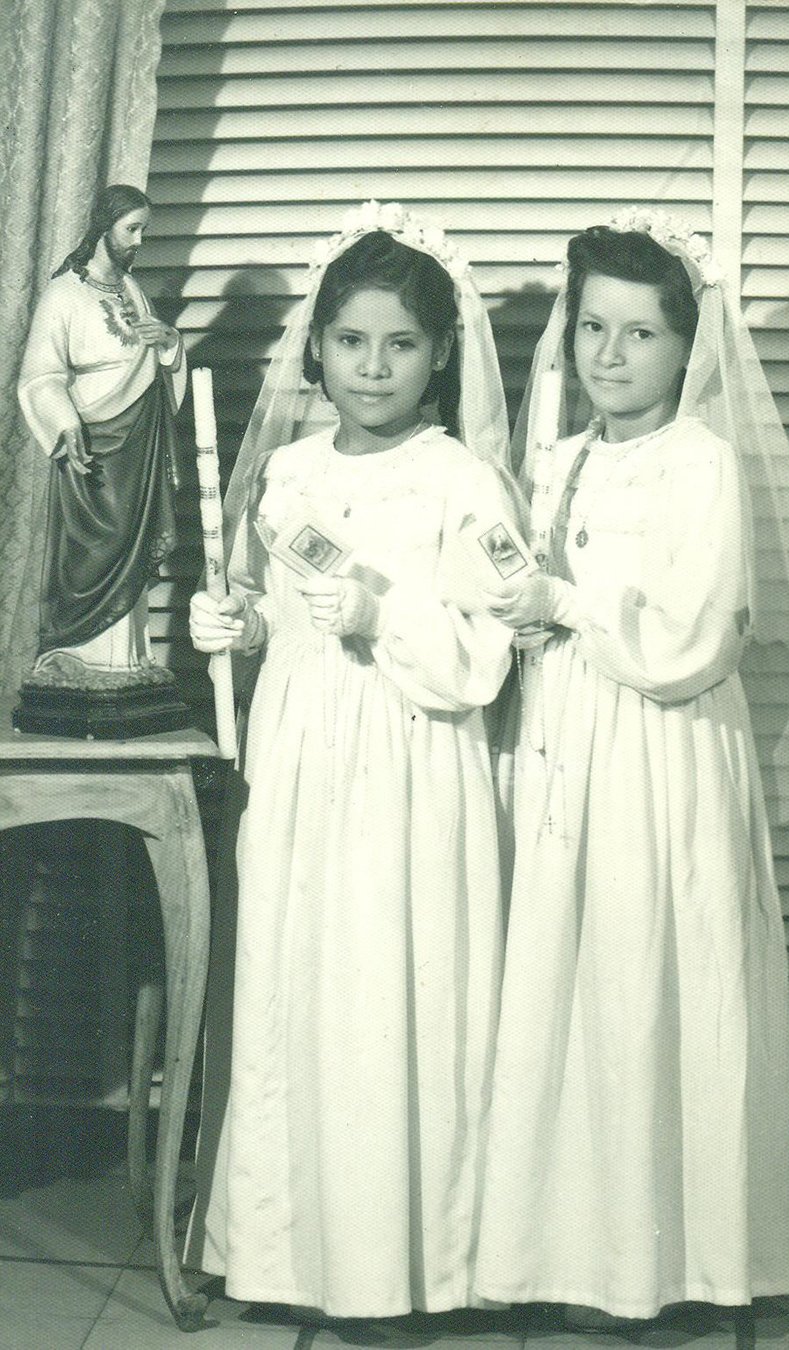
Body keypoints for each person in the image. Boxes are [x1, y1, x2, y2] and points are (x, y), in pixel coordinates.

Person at [474, 208, 789, 1324]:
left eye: (638, 334)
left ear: (684, 349)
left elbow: (688, 640)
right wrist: (523, 619)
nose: (606, 355)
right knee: (572, 978)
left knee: (650, 976)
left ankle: (677, 1262)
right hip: (570, 736)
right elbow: (530, 597)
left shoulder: (701, 464)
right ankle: (567, 1255)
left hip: (660, 749)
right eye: (591, 326)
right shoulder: (559, 458)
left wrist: (566, 604)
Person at [185, 201, 517, 1318]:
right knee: (293, 986)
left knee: (391, 995)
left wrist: (380, 612)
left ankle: (405, 1264)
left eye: (400, 344)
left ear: (438, 355)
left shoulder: (459, 483)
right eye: (350, 340)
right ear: (316, 349)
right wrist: (233, 626)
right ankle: (286, 1254)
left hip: (410, 766)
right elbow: (270, 610)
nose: (372, 367)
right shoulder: (284, 476)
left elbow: (480, 662)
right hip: (298, 755)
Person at [17, 183, 185, 676]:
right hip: (92, 445)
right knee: (93, 550)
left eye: (143, 231)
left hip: (138, 443)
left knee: (131, 548)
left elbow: (155, 359)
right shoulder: (64, 295)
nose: (138, 241)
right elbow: (41, 375)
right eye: (131, 229)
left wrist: (169, 341)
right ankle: (73, 654)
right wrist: (65, 424)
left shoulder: (132, 290)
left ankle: (126, 663)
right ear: (104, 227)